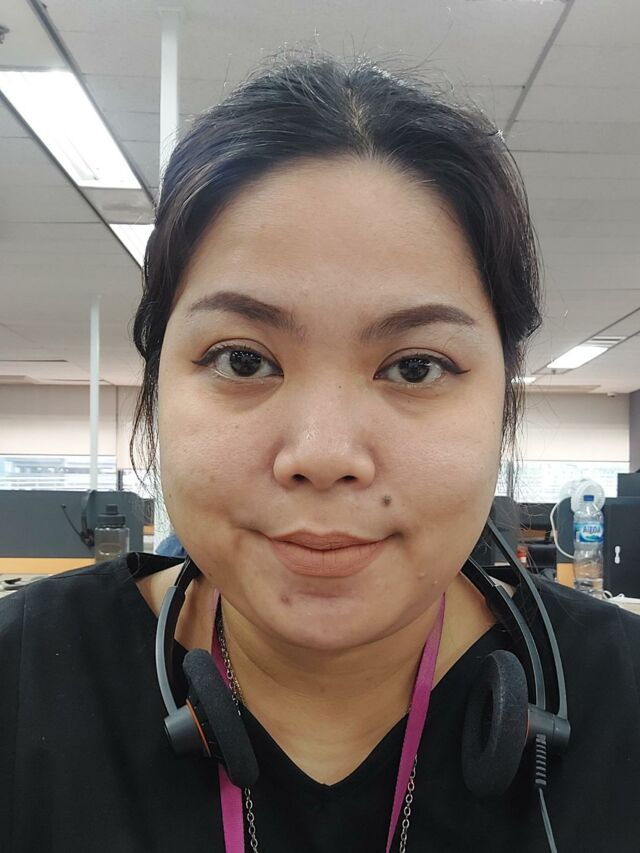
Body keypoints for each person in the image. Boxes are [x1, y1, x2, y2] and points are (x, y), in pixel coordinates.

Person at [2, 51, 639, 853]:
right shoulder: (20, 678)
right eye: (243, 359)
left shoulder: (622, 692)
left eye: (415, 367)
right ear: (158, 381)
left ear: (502, 398)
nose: (324, 454)